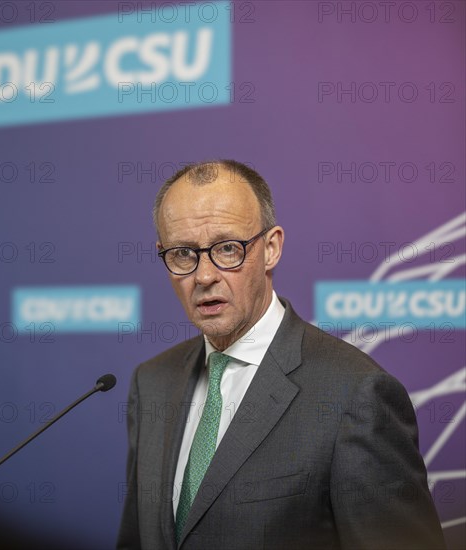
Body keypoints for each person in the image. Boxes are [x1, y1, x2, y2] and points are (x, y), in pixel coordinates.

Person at [117, 160, 446, 549]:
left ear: (271, 248)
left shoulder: (355, 394)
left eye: (227, 249)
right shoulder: (152, 382)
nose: (204, 276)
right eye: (183, 254)